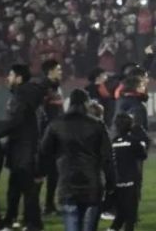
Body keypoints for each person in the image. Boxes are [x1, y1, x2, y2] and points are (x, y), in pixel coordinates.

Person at [0, 64, 45, 231]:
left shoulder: (22, 95)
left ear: (18, 78)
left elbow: (16, 122)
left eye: (10, 75)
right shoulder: (24, 94)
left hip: (23, 151)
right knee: (14, 189)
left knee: (27, 190)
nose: (7, 78)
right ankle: (10, 221)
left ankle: (33, 224)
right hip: (21, 149)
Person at [40, 88, 115, 231]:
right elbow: (107, 157)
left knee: (72, 223)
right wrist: (111, 183)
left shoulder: (56, 124)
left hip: (67, 184)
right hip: (92, 184)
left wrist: (40, 173)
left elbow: (44, 152)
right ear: (86, 103)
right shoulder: (97, 125)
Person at [109, 112, 148, 231]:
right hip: (131, 182)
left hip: (116, 182)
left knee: (120, 213)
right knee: (130, 215)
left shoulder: (113, 142)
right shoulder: (134, 141)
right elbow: (143, 156)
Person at [39, 59, 65, 215]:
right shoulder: (43, 88)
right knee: (41, 172)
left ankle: (49, 205)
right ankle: (34, 208)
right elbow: (41, 113)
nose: (61, 72)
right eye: (58, 69)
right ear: (50, 71)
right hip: (46, 137)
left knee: (54, 173)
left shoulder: (56, 88)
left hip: (56, 136)